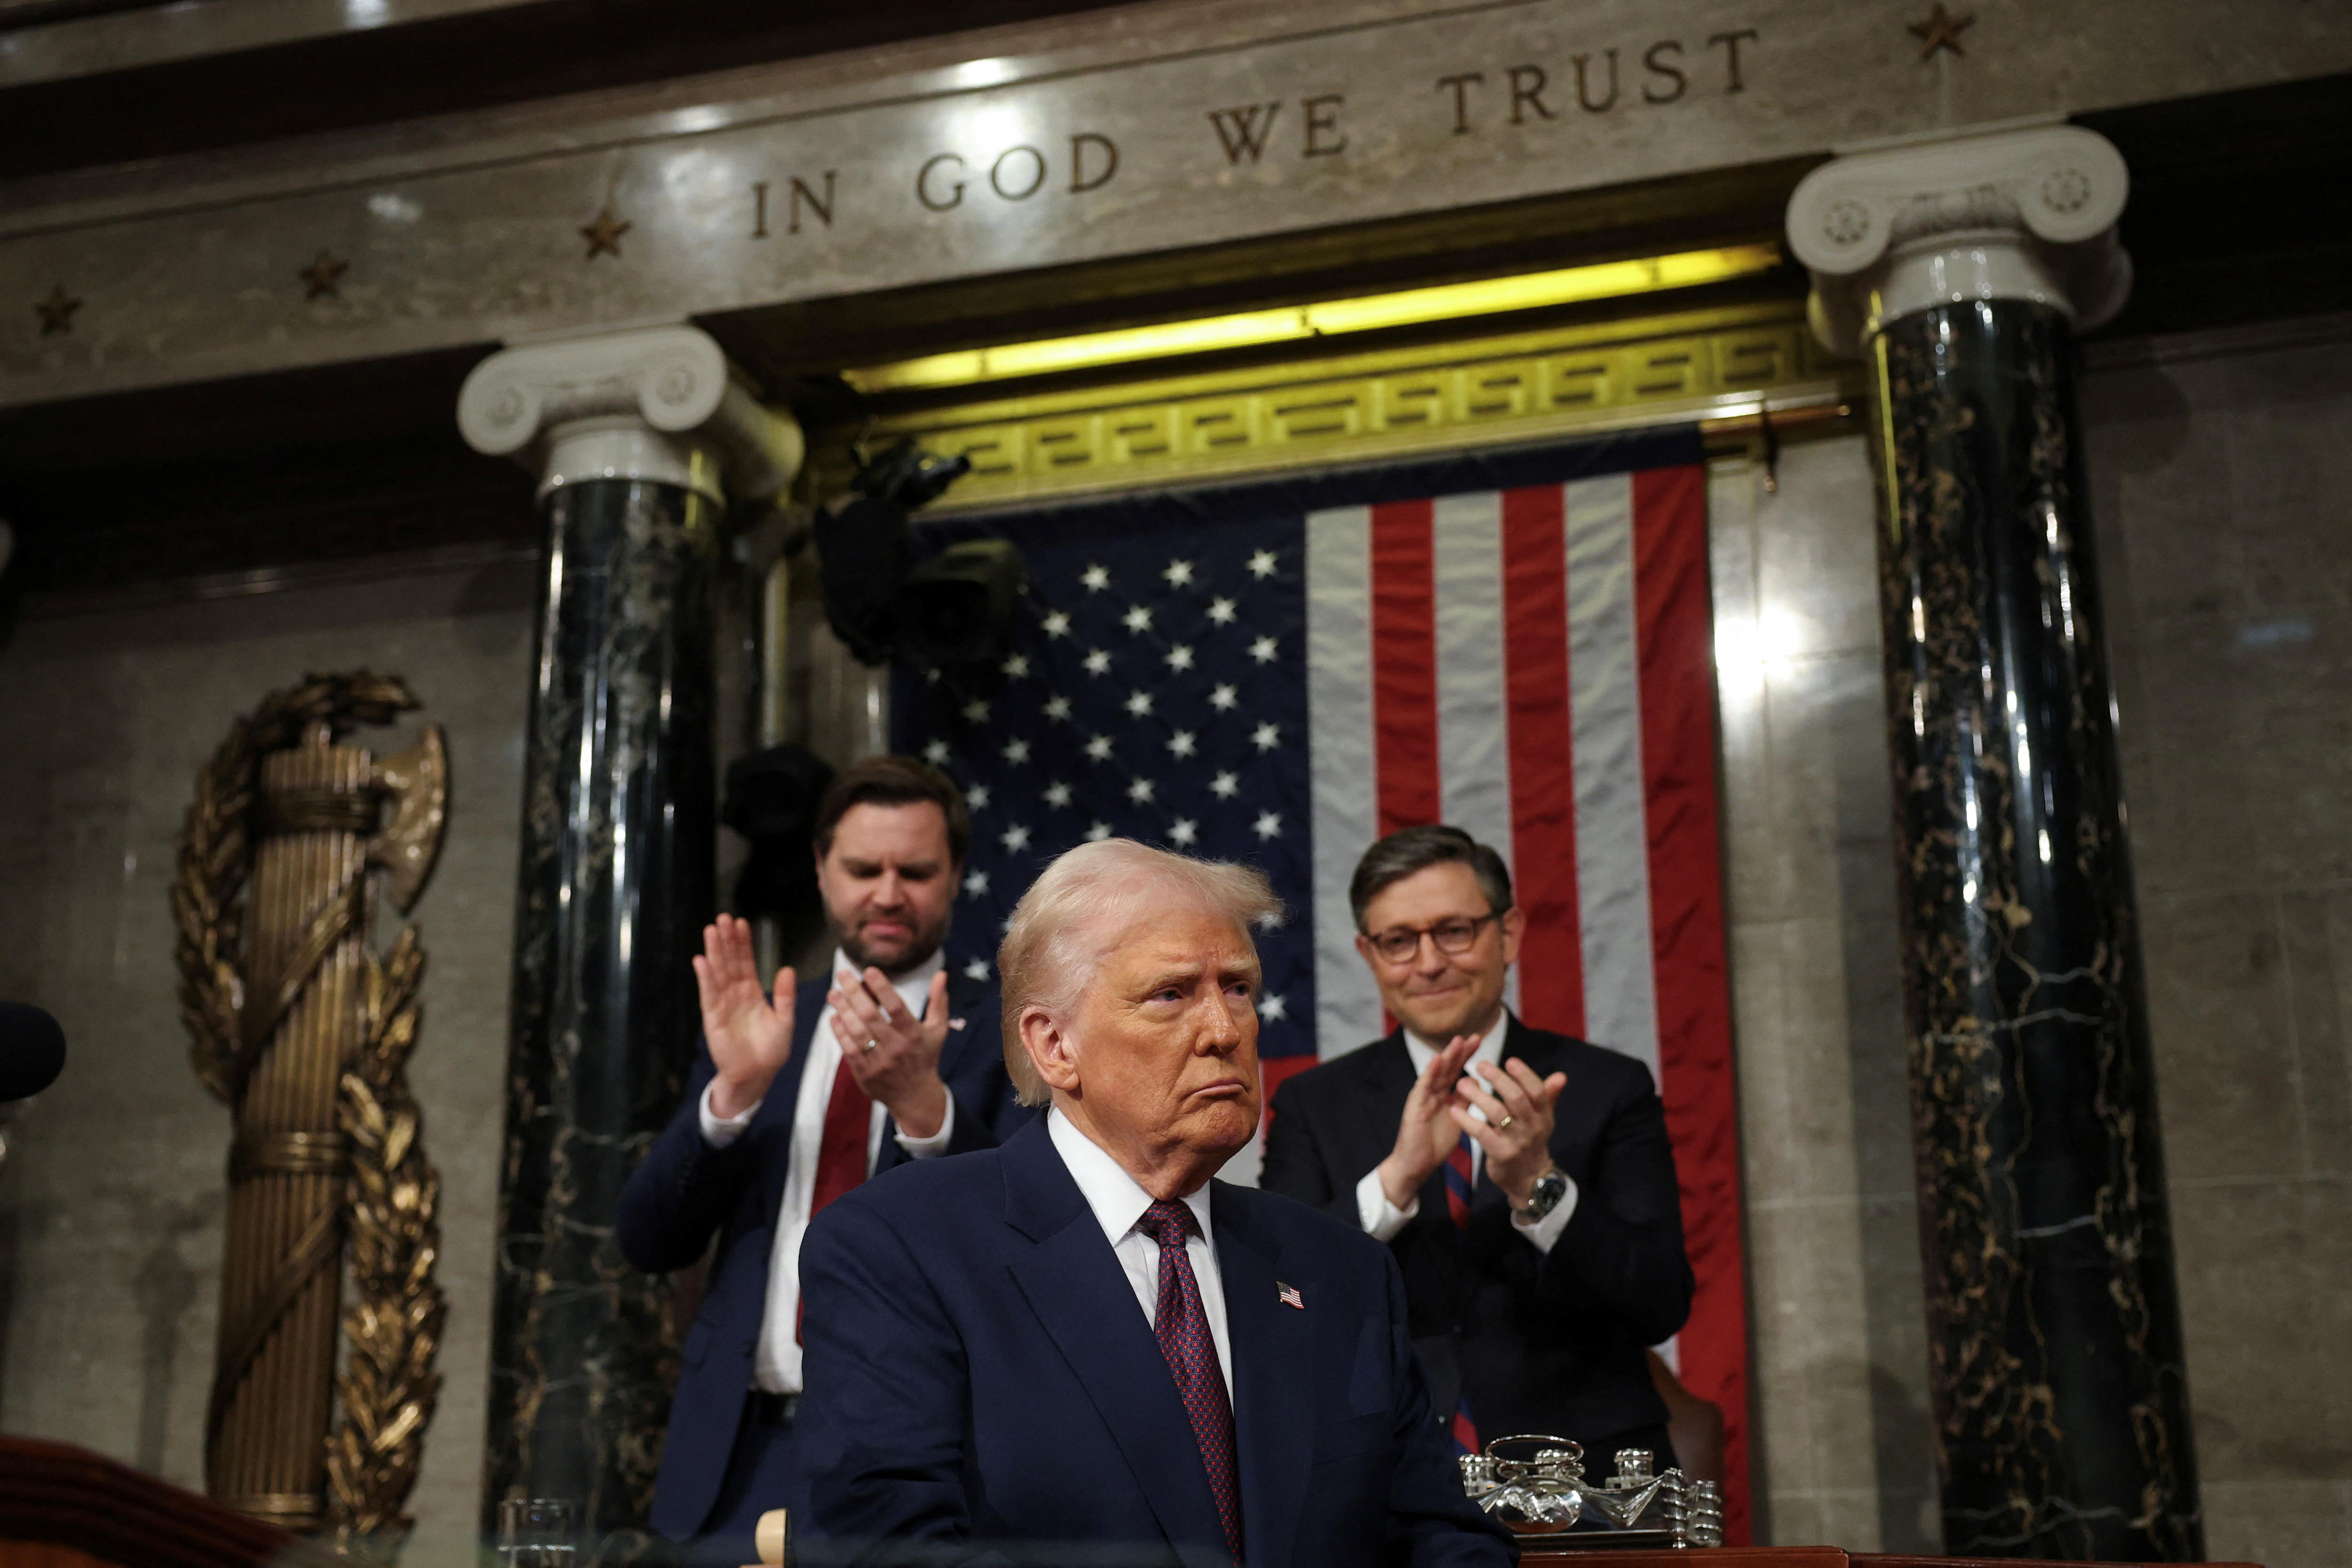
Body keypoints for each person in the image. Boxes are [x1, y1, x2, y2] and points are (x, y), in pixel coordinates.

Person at [789, 839, 1514, 1568]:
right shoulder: (897, 1247)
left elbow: (1440, 1538)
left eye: (1237, 988)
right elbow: (883, 1548)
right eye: (1171, 995)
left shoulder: (1342, 1268)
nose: (1225, 1031)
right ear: (1054, 1044)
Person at [616, 756, 1028, 1555]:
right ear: (819, 867)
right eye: (862, 867)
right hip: (739, 1455)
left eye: (915, 870)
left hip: (921, 1461)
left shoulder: (1012, 1028)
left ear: (954, 878)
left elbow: (1026, 1242)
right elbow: (647, 1239)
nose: (886, 892)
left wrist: (924, 1106)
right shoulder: (767, 1021)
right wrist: (731, 1095)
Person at [1260, 825, 1694, 1469]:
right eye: (1399, 941)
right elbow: (1276, 1297)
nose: (1430, 962)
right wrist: (1397, 1179)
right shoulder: (1312, 1104)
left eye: (1454, 930)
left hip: (1586, 1478)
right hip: (1388, 1476)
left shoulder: (1608, 1086)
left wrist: (1538, 1185)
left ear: (1508, 934)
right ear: (1369, 954)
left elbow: (1660, 1302)